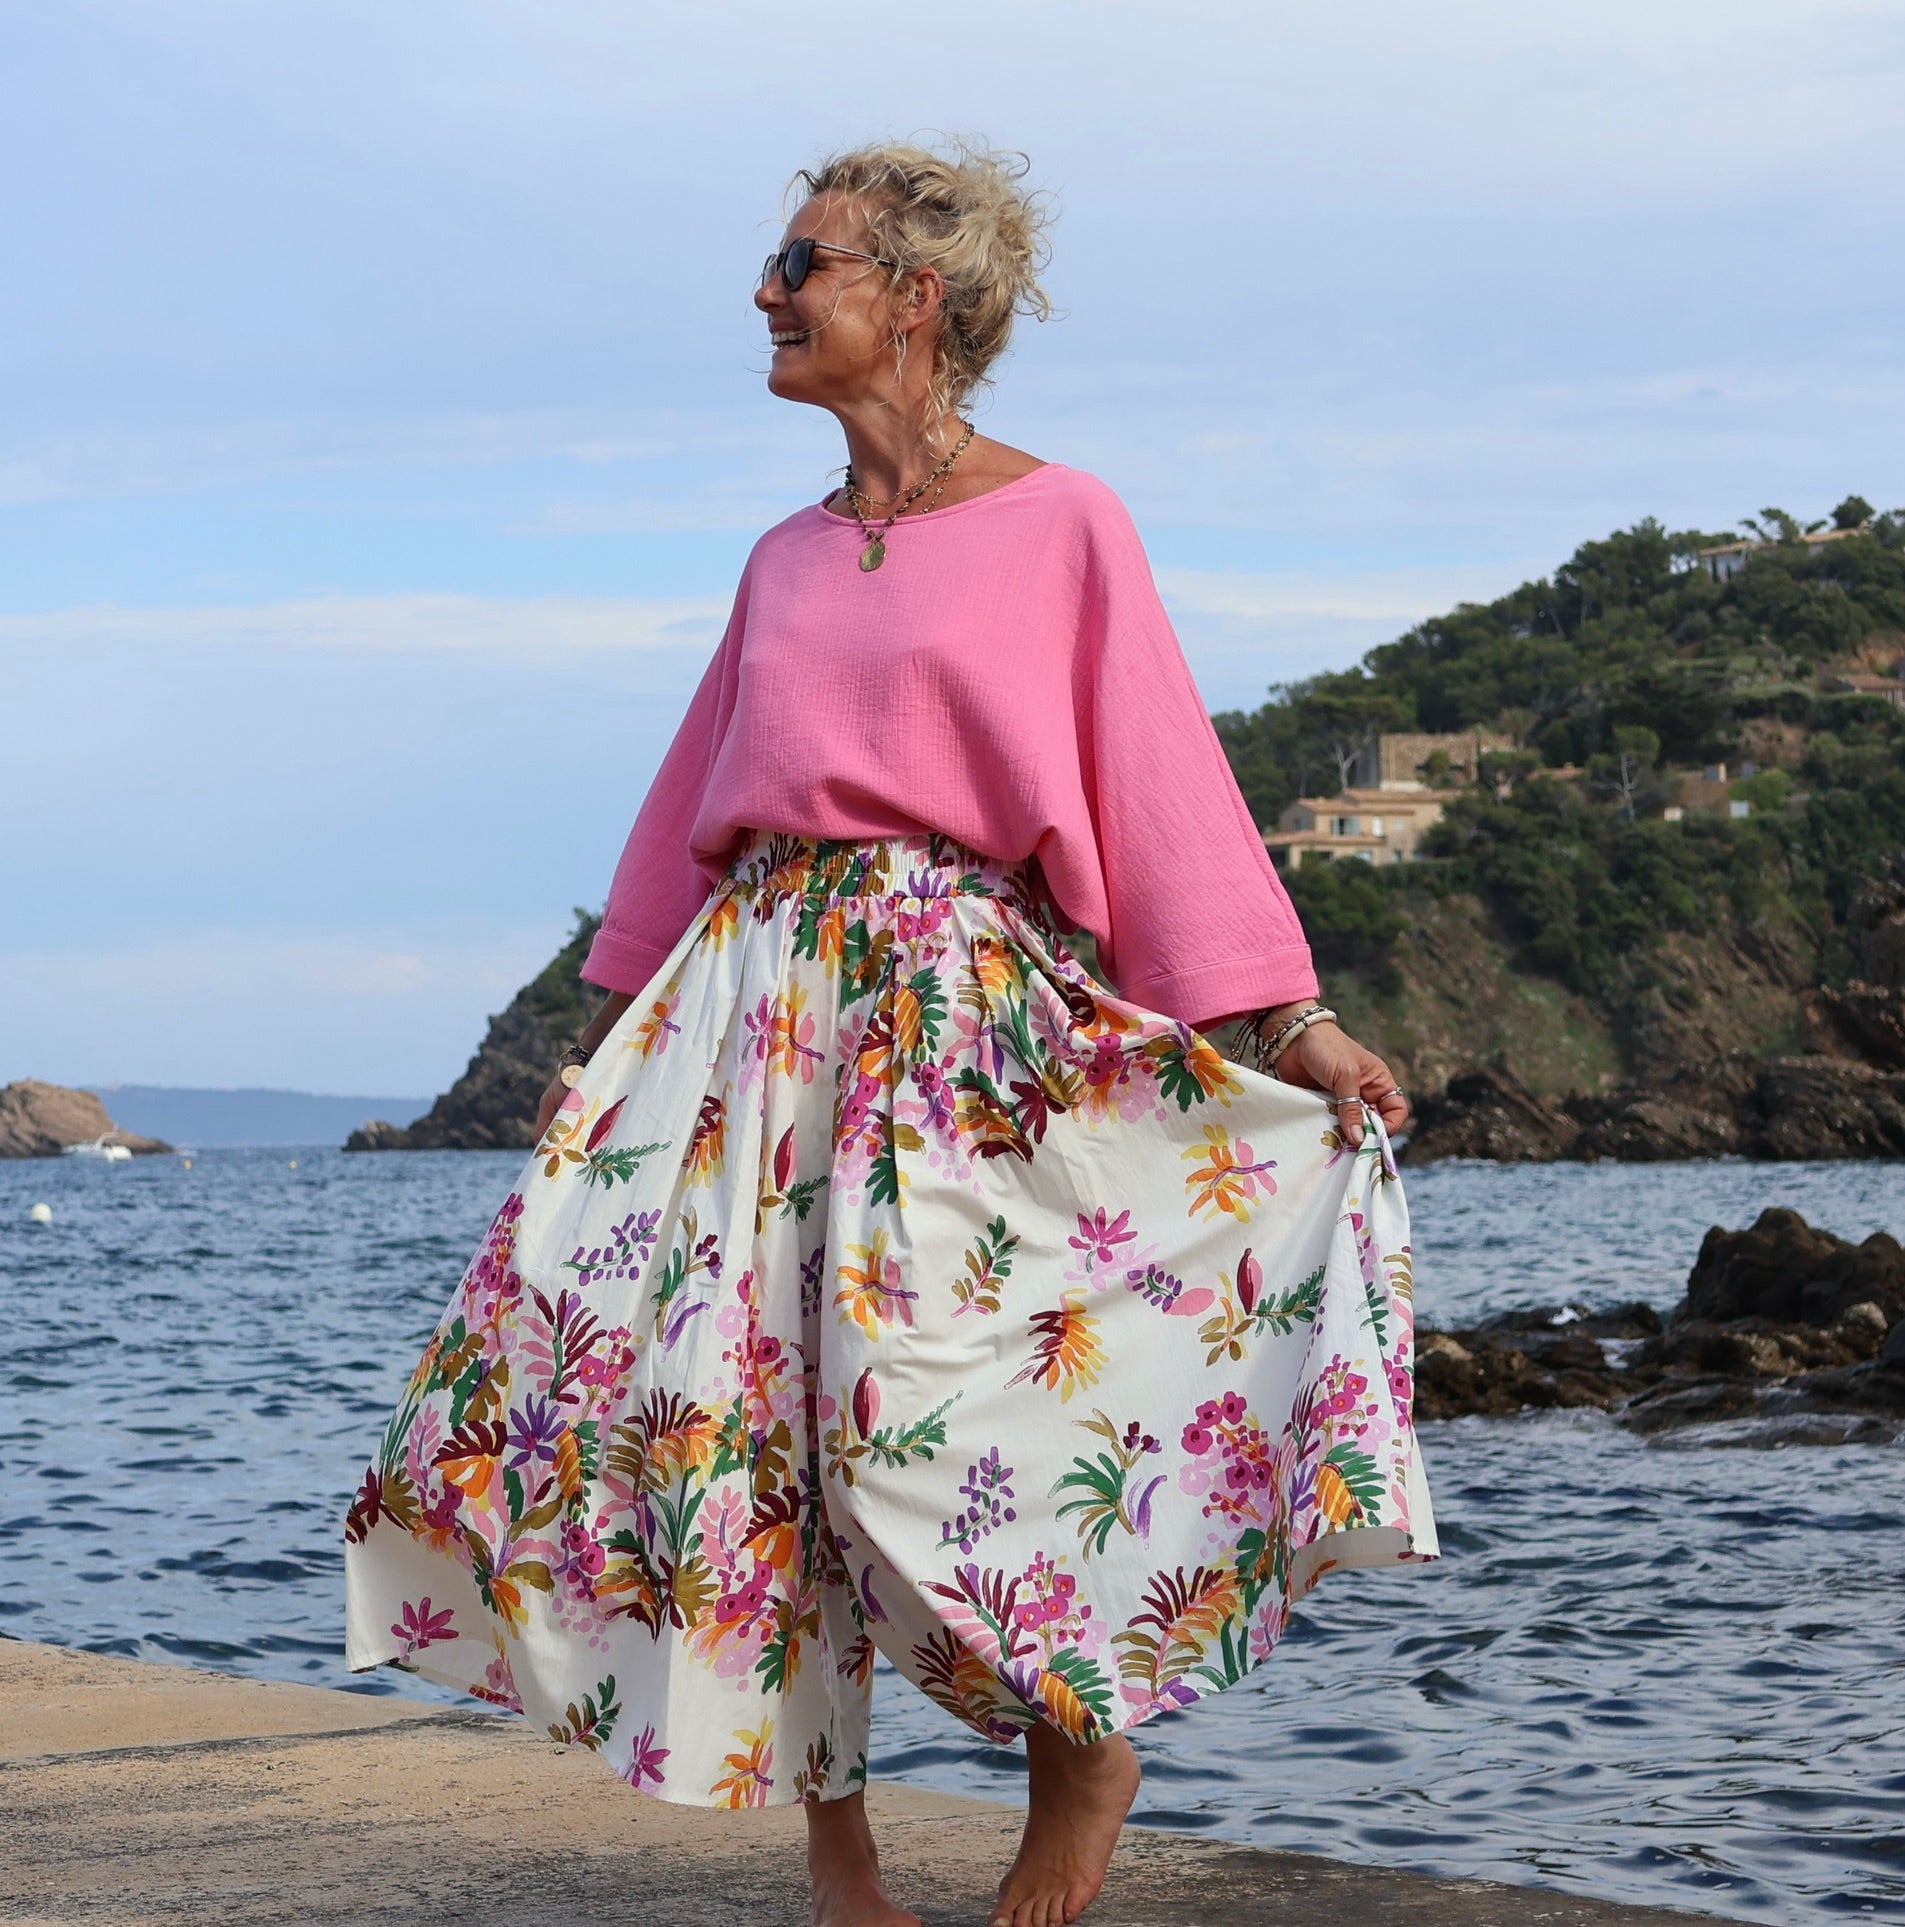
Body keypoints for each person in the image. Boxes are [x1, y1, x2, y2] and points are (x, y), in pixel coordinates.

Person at [345, 137, 1436, 1927]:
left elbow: (1160, 786)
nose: (765, 292)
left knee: (937, 1404)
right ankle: (836, 1850)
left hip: (961, 1020)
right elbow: (691, 808)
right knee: (734, 1412)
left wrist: (1291, 1023)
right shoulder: (780, 559)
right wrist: (606, 1048)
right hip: (751, 1022)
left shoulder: (1065, 522)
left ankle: (1080, 1740)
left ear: (915, 297)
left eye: (803, 262)